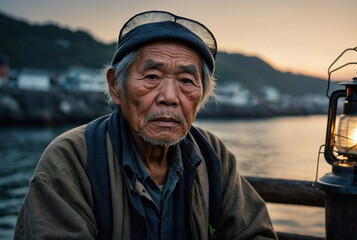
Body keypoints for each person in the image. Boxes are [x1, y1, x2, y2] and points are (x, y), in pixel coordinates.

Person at [14, 10, 277, 240]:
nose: (170, 97)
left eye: (186, 80)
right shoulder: (72, 159)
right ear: (116, 86)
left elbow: (254, 233)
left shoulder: (213, 155)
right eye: (152, 76)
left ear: (202, 96)